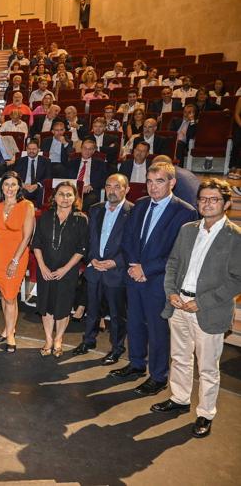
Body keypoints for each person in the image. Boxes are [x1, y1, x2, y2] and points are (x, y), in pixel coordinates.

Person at [152, 179, 241, 438]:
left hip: (208, 311)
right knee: (179, 358)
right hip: (179, 305)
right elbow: (172, 264)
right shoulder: (187, 229)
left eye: (214, 199)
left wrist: (201, 302)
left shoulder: (235, 237)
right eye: (203, 199)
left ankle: (205, 413)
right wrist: (170, 292)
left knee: (208, 367)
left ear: (226, 204)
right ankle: (179, 398)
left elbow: (236, 279)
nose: (207, 203)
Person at [111, 162, 197, 396]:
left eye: (159, 181)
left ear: (172, 183)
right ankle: (136, 363)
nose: (153, 186)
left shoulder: (185, 212)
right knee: (135, 323)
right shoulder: (139, 205)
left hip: (159, 281)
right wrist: (133, 266)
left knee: (158, 330)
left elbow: (178, 253)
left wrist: (145, 270)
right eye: (149, 181)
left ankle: (158, 377)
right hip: (134, 275)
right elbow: (128, 239)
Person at [72, 174, 133, 364]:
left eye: (117, 186)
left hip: (116, 272)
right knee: (92, 309)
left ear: (126, 189)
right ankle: (88, 341)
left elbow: (134, 245)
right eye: (108, 186)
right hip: (94, 268)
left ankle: (116, 348)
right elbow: (89, 239)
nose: (112, 190)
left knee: (116, 314)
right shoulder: (95, 209)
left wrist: (116, 262)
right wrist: (92, 259)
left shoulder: (133, 212)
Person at [32, 181, 89, 358]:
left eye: (69, 194)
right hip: (46, 270)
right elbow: (37, 243)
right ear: (54, 197)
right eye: (61, 194)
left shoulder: (81, 219)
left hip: (68, 271)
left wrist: (65, 269)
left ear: (75, 198)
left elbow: (82, 249)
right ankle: (48, 339)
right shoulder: (45, 216)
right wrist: (42, 267)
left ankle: (59, 339)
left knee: (63, 307)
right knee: (47, 305)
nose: (65, 198)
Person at [0, 171, 35, 351]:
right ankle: (9, 328)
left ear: (19, 187)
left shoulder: (27, 205)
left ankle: (10, 335)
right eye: (6, 184)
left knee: (10, 296)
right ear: (2, 186)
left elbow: (27, 237)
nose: (10, 188)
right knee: (6, 294)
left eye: (13, 184)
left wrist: (15, 261)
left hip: (17, 254)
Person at [67, 139, 108, 212]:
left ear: (93, 151)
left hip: (91, 191)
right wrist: (77, 187)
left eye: (90, 149)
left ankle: (78, 215)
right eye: (85, 148)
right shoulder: (72, 162)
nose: (87, 151)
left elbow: (104, 180)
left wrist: (91, 186)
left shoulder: (100, 164)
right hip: (74, 189)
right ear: (81, 148)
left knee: (88, 200)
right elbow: (67, 178)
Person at [14, 139, 51, 207]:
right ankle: (22, 211)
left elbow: (48, 177)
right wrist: (22, 184)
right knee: (19, 191)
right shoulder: (20, 161)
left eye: (34, 149)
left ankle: (38, 210)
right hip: (24, 187)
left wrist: (37, 185)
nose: (31, 151)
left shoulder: (46, 161)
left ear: (38, 150)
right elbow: (15, 176)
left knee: (42, 191)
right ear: (26, 149)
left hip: (38, 187)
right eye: (29, 149)